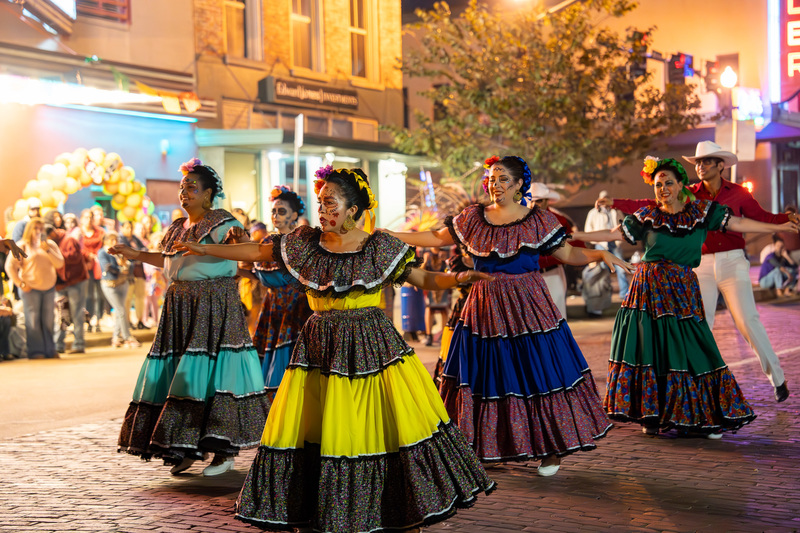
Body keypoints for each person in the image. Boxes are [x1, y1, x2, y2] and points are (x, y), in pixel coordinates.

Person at [175, 165, 495, 532]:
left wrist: (458, 278)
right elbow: (260, 252)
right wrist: (204, 248)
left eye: (331, 203)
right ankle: (320, 510)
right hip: (319, 348)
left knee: (375, 424)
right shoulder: (306, 243)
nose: (323, 210)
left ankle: (394, 509)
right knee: (319, 427)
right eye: (321, 203)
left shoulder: (379, 246)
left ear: (353, 209)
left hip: (371, 346)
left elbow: (422, 277)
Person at [383, 155, 633, 476]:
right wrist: (390, 234)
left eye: (502, 179)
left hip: (528, 306)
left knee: (536, 373)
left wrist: (599, 253)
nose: (495, 185)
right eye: (491, 179)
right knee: (487, 375)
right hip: (484, 307)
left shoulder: (537, 220)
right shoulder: (473, 217)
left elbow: (568, 253)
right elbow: (437, 237)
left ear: (518, 185)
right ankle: (489, 445)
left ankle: (550, 448)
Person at [596, 157, 798, 436]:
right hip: (696, 266)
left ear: (720, 165)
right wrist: (615, 202)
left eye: (707, 162)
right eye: (698, 162)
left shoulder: (736, 194)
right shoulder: (688, 192)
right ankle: (682, 409)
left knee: (746, 320)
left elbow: (754, 218)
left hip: (729, 261)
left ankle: (776, 380)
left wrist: (783, 222)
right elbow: (648, 205)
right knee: (694, 330)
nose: (701, 166)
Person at [113, 157, 270, 477]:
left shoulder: (222, 222)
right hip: (180, 306)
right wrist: (136, 255)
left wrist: (229, 246)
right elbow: (170, 261)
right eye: (182, 187)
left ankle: (223, 450)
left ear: (208, 194)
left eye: (192, 188)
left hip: (213, 304)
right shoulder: (176, 227)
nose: (184, 193)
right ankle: (184, 446)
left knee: (215, 374)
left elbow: (245, 250)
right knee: (181, 376)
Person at [248, 185, 312, 394]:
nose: (275, 215)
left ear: (294, 215)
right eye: (273, 211)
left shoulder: (303, 241)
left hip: (296, 306)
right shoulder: (266, 242)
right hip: (273, 305)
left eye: (281, 211)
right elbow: (260, 275)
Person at [5, 217, 64, 359]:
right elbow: (9, 266)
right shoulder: (22, 245)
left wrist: (48, 250)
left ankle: (50, 349)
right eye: (35, 228)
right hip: (30, 289)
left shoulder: (50, 245)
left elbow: (59, 264)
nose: (38, 231)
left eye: (41, 228)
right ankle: (36, 351)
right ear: (29, 230)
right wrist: (20, 283)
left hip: (48, 288)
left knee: (48, 320)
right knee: (33, 321)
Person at [529, 182, 586, 319]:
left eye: (539, 200)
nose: (534, 204)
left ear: (547, 201)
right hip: (529, 276)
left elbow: (575, 245)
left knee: (557, 316)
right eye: (531, 200)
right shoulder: (520, 221)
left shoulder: (558, 220)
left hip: (553, 274)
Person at [47, 224, 89, 354]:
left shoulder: (69, 239)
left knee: (77, 313)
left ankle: (79, 344)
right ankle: (59, 345)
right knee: (62, 314)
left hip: (76, 281)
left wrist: (56, 255)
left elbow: (75, 257)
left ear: (52, 233)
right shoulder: (50, 244)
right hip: (61, 283)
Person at [98, 232, 141, 349]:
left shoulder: (119, 252)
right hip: (110, 284)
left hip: (123, 283)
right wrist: (120, 269)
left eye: (115, 239)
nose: (114, 242)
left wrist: (125, 266)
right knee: (121, 310)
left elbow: (130, 264)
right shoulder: (102, 252)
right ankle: (127, 337)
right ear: (105, 241)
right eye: (111, 240)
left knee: (120, 311)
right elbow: (107, 267)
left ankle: (116, 337)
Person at [584, 190, 629, 299]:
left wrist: (621, 237)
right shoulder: (593, 213)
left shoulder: (616, 211)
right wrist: (597, 239)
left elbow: (624, 225)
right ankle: (604, 294)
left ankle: (624, 294)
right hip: (601, 244)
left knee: (621, 268)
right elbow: (588, 229)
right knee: (602, 269)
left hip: (614, 243)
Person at [77, 208, 106, 333]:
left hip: (98, 266)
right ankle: (88, 320)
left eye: (90, 217)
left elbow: (104, 246)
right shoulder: (78, 232)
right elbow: (77, 248)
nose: (88, 220)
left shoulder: (100, 232)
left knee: (100, 295)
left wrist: (96, 256)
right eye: (86, 217)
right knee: (88, 296)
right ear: (81, 219)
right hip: (84, 266)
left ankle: (98, 320)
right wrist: (88, 255)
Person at [119, 221, 148, 330]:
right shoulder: (121, 240)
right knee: (128, 298)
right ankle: (127, 322)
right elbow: (126, 253)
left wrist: (136, 253)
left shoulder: (136, 239)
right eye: (127, 227)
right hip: (129, 273)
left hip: (139, 271)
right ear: (122, 228)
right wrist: (137, 254)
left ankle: (140, 320)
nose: (129, 230)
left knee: (140, 297)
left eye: (131, 227)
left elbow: (145, 249)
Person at [422, 247, 451, 346]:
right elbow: (421, 271)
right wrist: (425, 261)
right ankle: (428, 335)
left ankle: (444, 335)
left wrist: (446, 260)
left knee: (444, 310)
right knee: (429, 309)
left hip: (443, 287)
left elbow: (450, 270)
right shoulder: (426, 253)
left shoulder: (445, 251)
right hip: (430, 287)